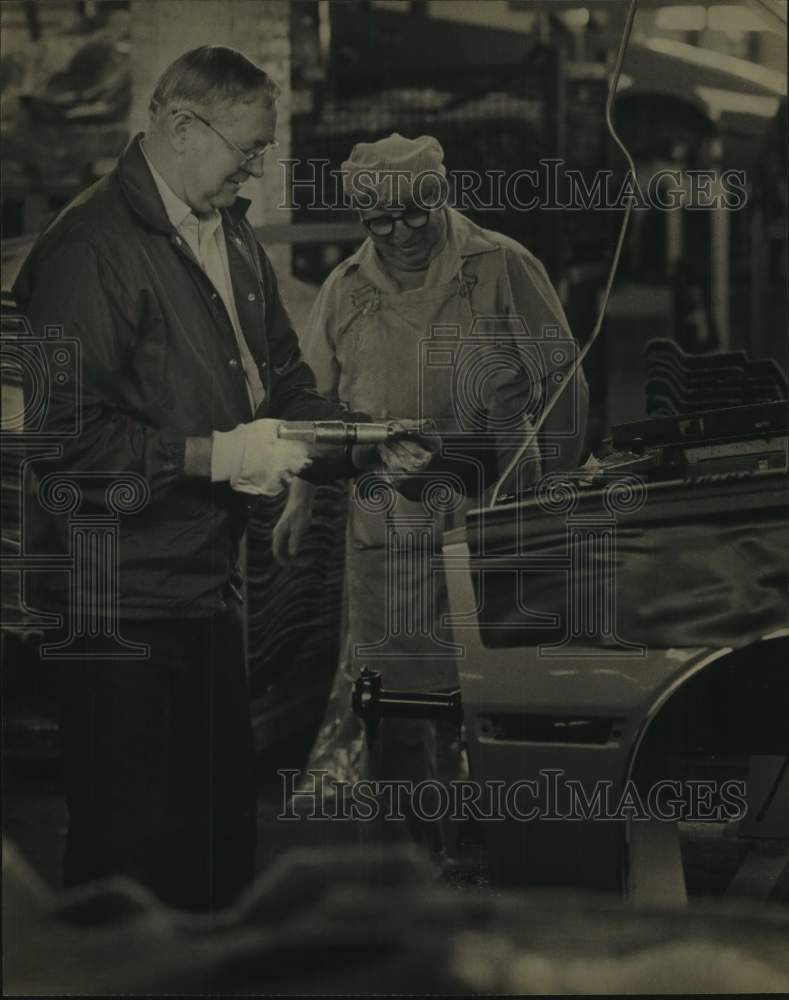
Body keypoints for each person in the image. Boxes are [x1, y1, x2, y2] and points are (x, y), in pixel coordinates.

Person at [12, 48, 423, 912]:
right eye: (249, 147)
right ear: (179, 125)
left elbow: (278, 378)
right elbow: (60, 442)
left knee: (215, 847)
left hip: (200, 585)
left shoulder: (227, 234)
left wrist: (362, 439)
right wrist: (213, 456)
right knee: (129, 861)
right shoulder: (86, 251)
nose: (256, 168)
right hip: (115, 602)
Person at [273, 133, 589, 858]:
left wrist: (549, 495)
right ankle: (410, 868)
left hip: (495, 517)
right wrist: (298, 496)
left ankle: (503, 859)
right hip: (391, 532)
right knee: (398, 706)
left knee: (496, 696)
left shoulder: (500, 266)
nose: (400, 235)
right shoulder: (346, 288)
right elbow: (312, 403)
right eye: (379, 222)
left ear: (439, 196)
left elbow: (563, 387)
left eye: (416, 214)